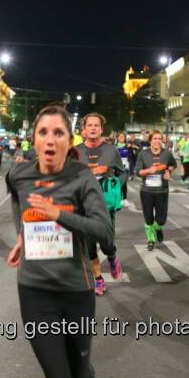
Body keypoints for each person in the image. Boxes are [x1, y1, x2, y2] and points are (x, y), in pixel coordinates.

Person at [5, 104, 113, 378]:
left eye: (59, 134)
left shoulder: (82, 177)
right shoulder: (18, 173)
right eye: (44, 133)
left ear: (71, 142)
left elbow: (103, 229)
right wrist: (22, 235)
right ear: (34, 139)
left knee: (79, 371)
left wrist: (58, 215)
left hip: (76, 290)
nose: (50, 140)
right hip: (35, 291)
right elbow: (19, 207)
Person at [74, 113, 124, 295]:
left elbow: (122, 173)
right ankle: (98, 279)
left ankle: (111, 256)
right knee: (88, 246)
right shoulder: (75, 152)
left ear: (101, 129)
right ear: (84, 130)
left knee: (106, 243)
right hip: (84, 205)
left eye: (97, 125)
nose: (93, 128)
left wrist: (115, 185)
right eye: (90, 125)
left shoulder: (112, 151)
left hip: (105, 205)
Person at [135, 131, 177, 250]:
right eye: (155, 138)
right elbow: (137, 172)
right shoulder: (143, 154)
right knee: (148, 218)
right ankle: (150, 240)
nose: (157, 141)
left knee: (161, 220)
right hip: (146, 191)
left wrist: (169, 171)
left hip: (162, 191)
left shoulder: (167, 154)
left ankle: (158, 228)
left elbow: (173, 164)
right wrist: (148, 171)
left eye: (159, 138)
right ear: (150, 140)